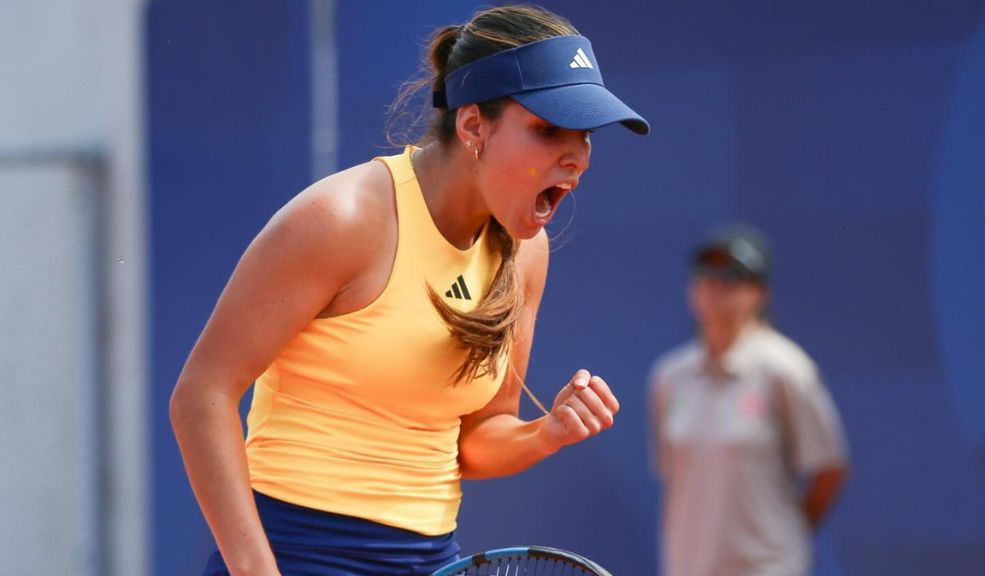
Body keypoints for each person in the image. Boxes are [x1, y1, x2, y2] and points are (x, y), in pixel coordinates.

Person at [170, 5, 649, 576]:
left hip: (427, 561)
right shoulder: (341, 219)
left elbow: (477, 439)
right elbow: (202, 394)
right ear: (473, 127)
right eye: (547, 129)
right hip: (292, 555)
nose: (576, 157)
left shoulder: (526, 252)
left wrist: (546, 433)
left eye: (585, 134)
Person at [648, 224, 849, 576]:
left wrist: (786, 539)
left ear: (760, 292)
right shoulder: (669, 377)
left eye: (731, 277)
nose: (715, 286)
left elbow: (829, 468)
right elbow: (675, 475)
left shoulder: (786, 369)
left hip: (766, 567)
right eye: (705, 275)